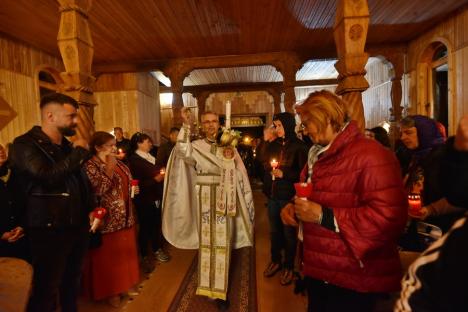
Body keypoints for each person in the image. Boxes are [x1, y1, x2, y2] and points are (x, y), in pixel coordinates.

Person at [281, 90, 407, 312]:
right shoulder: (317, 154)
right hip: (321, 269)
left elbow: (389, 219)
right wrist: (293, 207)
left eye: (307, 122)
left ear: (327, 118)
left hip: (354, 278)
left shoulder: (372, 156)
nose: (304, 129)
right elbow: (319, 194)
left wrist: (323, 215)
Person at [8, 93, 94, 312]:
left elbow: (79, 182)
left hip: (75, 225)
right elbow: (46, 177)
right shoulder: (24, 145)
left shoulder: (66, 146)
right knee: (46, 288)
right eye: (71, 116)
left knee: (72, 283)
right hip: (48, 228)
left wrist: (91, 208)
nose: (76, 121)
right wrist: (79, 154)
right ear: (50, 116)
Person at [162, 109, 254, 308]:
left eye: (214, 121)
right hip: (203, 196)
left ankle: (220, 292)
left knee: (222, 243)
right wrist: (186, 124)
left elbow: (240, 173)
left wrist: (230, 171)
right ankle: (206, 285)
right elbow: (182, 152)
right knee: (206, 243)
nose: (211, 125)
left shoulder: (229, 145)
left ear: (219, 124)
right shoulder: (195, 145)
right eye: (206, 122)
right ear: (201, 125)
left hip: (225, 195)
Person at [395, 116, 468, 312]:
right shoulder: (415, 157)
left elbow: (458, 197)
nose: (403, 137)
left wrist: (430, 209)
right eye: (401, 133)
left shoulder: (442, 157)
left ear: (424, 132)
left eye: (409, 132)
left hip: (439, 230)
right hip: (417, 227)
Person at [82, 131, 140, 307]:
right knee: (109, 259)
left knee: (125, 255)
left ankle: (125, 285)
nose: (115, 148)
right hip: (107, 220)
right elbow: (99, 189)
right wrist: (109, 166)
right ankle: (111, 292)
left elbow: (127, 180)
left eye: (115, 144)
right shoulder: (90, 165)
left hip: (125, 216)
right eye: (110, 145)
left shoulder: (118, 162)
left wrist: (133, 189)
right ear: (98, 147)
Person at [262, 112, 308, 286]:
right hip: (273, 196)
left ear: (288, 125)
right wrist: (267, 142)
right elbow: (263, 161)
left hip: (288, 197)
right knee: (274, 232)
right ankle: (276, 260)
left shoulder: (299, 146)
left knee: (289, 234)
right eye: (275, 126)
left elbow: (304, 174)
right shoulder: (273, 145)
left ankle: (289, 266)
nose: (277, 129)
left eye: (279, 125)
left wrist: (285, 173)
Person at [128, 132, 169, 268]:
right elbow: (135, 184)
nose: (151, 144)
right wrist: (155, 180)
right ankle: (144, 255)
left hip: (155, 196)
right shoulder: (134, 160)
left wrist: (161, 170)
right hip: (144, 199)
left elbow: (156, 169)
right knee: (145, 227)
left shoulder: (149, 156)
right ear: (139, 144)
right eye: (148, 142)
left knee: (156, 224)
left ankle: (157, 249)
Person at [0, 143, 27, 259]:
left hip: (22, 237)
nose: (0, 151)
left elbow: (28, 203)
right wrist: (1, 234)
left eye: (0, 148)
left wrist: (22, 226)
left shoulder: (17, 174)